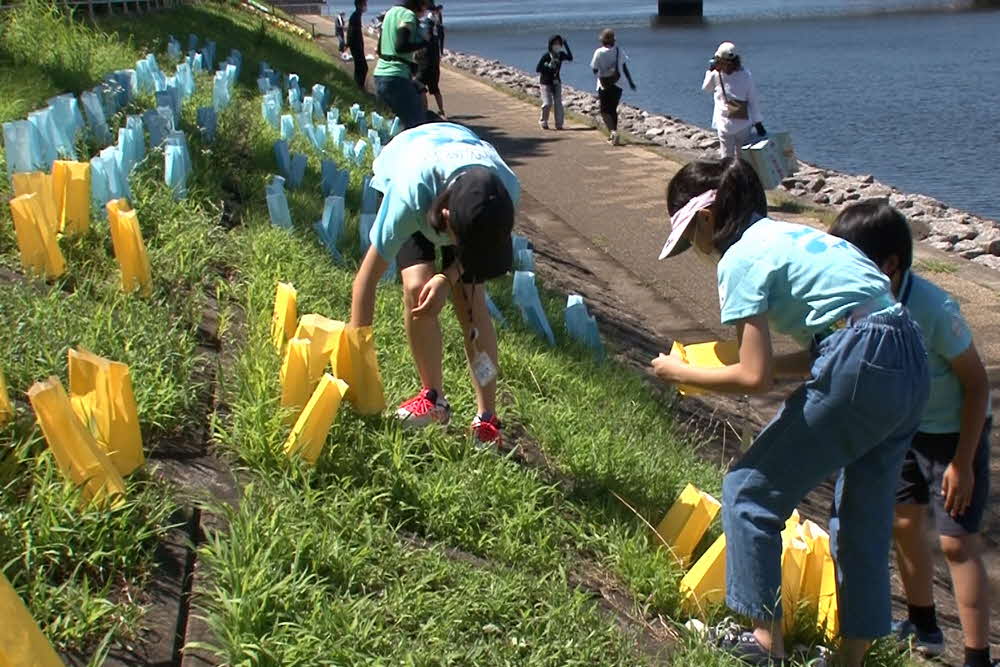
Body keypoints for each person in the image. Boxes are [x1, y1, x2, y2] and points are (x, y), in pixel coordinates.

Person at [651, 159, 929, 666]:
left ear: (707, 219)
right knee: (861, 517)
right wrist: (774, 366)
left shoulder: (740, 258)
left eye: (690, 235)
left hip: (860, 354)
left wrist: (679, 372)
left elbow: (752, 377)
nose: (696, 249)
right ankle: (851, 659)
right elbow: (831, 342)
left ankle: (764, 645)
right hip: (909, 356)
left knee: (749, 491)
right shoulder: (789, 235)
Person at [829, 201, 995, 667]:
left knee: (956, 543)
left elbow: (978, 384)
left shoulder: (934, 309)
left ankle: (978, 656)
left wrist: (962, 463)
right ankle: (924, 625)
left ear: (890, 266)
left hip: (953, 436)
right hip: (903, 429)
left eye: (851, 263)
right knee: (902, 525)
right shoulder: (858, 303)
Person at [350, 122, 521, 445]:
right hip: (410, 159)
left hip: (464, 172)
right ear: (445, 216)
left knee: (470, 302)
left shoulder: (504, 193)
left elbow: (477, 251)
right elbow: (365, 282)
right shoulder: (408, 197)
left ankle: (488, 418)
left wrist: (449, 276)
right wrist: (357, 368)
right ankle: (433, 397)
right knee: (418, 290)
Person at [702, 42, 766, 159]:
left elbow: (706, 88)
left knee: (726, 158)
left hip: (724, 124)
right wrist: (758, 122)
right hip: (743, 123)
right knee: (743, 158)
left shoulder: (716, 74)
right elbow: (752, 100)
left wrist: (709, 71)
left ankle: (728, 176)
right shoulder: (746, 74)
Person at [374, 0, 430, 130]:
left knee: (391, 126)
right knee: (417, 125)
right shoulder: (408, 16)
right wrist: (424, 42)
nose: (425, 10)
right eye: (425, 6)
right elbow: (401, 46)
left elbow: (380, 48)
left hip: (380, 74)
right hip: (396, 77)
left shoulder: (390, 13)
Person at [590, 29, 636, 146]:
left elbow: (594, 69)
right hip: (618, 83)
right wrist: (630, 82)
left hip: (604, 84)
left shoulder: (598, 52)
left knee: (604, 111)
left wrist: (602, 71)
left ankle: (613, 133)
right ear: (613, 40)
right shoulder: (619, 50)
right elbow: (625, 67)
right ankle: (614, 135)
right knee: (612, 110)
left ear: (602, 41)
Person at [536, 35, 573, 130]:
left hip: (556, 82)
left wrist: (566, 44)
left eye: (559, 43)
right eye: (555, 43)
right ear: (550, 45)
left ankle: (559, 124)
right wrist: (548, 67)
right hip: (545, 82)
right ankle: (543, 121)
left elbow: (570, 58)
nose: (557, 45)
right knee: (547, 103)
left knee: (558, 104)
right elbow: (538, 69)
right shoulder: (546, 56)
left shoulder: (561, 55)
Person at [415, 4, 446, 119]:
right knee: (435, 88)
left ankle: (424, 111)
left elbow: (420, 43)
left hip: (425, 62)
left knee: (421, 87)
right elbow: (441, 41)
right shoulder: (438, 27)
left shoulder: (426, 25)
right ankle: (441, 110)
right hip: (434, 62)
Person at [348, 0, 368, 90]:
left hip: (357, 46)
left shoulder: (357, 16)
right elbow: (351, 32)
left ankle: (358, 86)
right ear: (360, 5)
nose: (366, 6)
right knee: (363, 67)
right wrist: (349, 44)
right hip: (356, 47)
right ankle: (359, 86)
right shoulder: (355, 16)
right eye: (364, 4)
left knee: (360, 67)